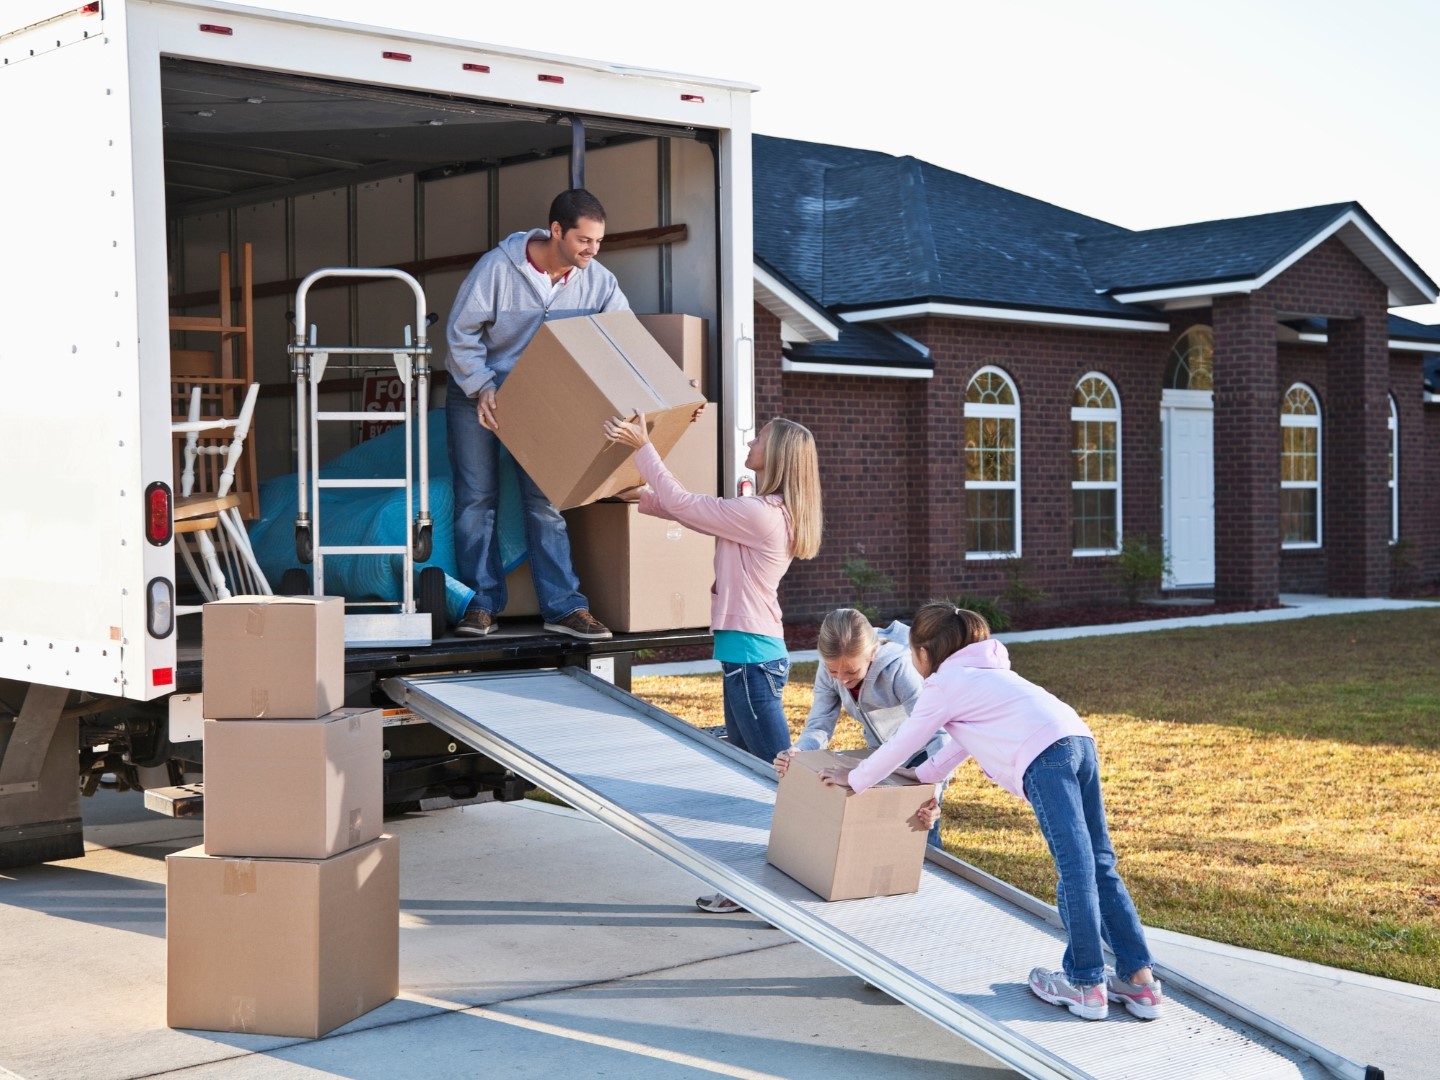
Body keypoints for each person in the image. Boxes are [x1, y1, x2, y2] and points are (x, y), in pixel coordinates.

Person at [818, 602, 1163, 1022]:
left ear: (925, 653)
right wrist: (921, 776)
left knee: (1075, 868)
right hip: (1078, 739)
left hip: (1045, 756)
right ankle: (1139, 980)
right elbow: (961, 744)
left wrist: (854, 779)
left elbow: (901, 742)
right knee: (1099, 862)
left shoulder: (944, 685)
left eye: (912, 651)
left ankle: (1086, 983)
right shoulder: (990, 675)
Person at [603, 411, 822, 916]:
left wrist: (643, 446)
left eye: (760, 437)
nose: (751, 439)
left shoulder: (763, 514)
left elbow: (687, 503)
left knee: (778, 781)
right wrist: (639, 499)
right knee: (749, 778)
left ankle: (794, 891)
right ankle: (750, 888)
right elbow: (689, 511)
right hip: (747, 657)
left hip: (752, 659)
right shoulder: (762, 510)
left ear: (780, 455)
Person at [444, 188, 625, 640]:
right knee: (476, 500)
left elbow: (622, 341)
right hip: (477, 391)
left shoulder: (598, 280)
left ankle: (564, 608)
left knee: (546, 504)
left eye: (599, 242)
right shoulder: (497, 268)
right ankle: (480, 605)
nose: (593, 251)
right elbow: (460, 332)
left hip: (542, 401)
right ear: (557, 231)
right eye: (585, 241)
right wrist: (481, 385)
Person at [775, 608, 951, 848]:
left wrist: (935, 792)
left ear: (873, 653)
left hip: (922, 754)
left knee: (920, 835)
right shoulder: (830, 671)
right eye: (833, 670)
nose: (842, 680)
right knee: (883, 833)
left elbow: (937, 733)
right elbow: (819, 724)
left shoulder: (899, 669)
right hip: (880, 753)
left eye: (851, 671)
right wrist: (800, 752)